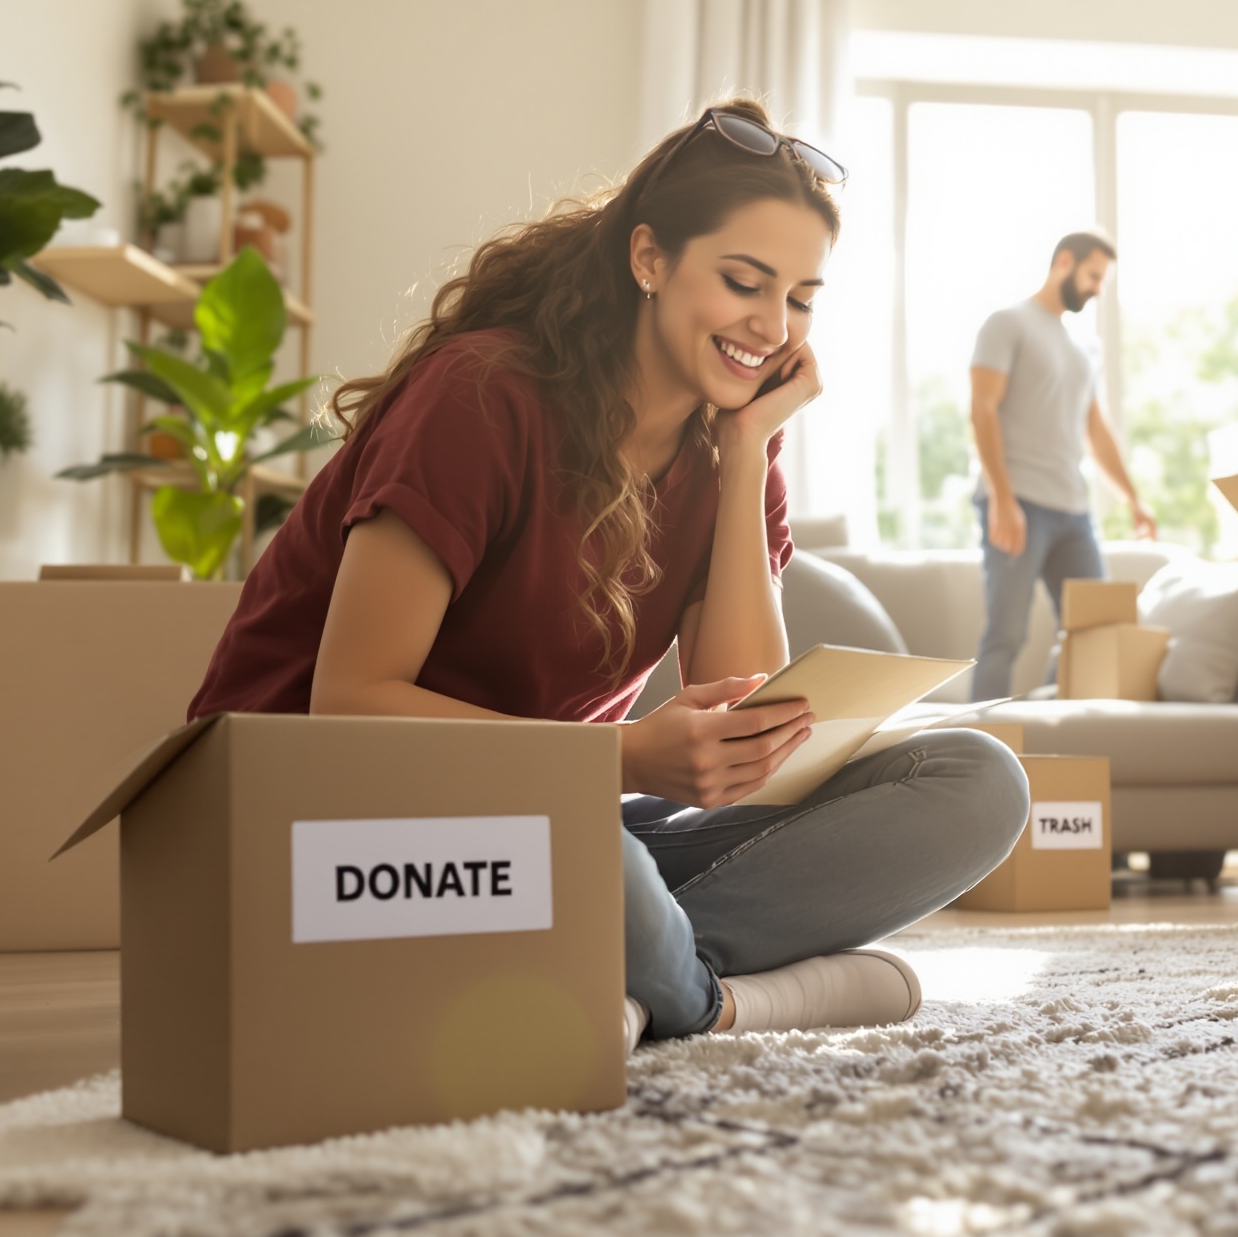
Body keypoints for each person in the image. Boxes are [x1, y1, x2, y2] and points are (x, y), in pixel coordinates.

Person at [187, 100, 1028, 1046]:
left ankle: (630, 970)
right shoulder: (480, 395)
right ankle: (718, 1000)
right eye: (743, 282)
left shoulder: (732, 446)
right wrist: (621, 757)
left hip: (540, 821)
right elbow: (348, 707)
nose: (770, 325)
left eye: (799, 298)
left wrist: (746, 452)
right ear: (649, 259)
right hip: (317, 819)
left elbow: (743, 706)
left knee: (975, 780)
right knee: (599, 863)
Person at [966, 232, 1157, 702]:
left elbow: (1096, 429)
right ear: (1065, 261)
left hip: (1073, 510)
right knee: (1006, 634)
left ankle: (1047, 720)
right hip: (1018, 504)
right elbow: (982, 409)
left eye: (1102, 281)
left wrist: (1134, 499)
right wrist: (1002, 499)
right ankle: (975, 736)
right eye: (1093, 276)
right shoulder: (1007, 323)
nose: (1097, 289)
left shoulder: (1085, 346)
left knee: (1096, 629)